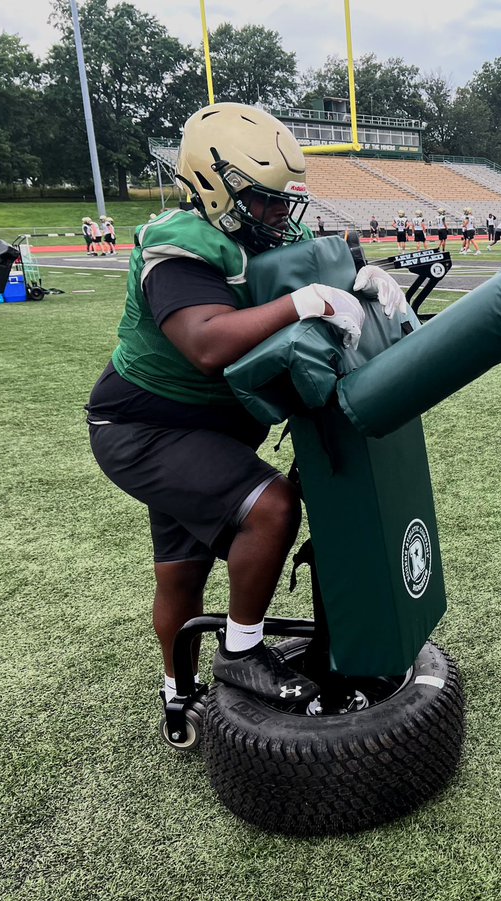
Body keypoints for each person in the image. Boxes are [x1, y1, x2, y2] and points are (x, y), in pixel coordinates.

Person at [85, 102, 408, 717]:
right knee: (271, 509)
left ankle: (178, 697)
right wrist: (306, 302)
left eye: (284, 199)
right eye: (264, 199)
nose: (280, 213)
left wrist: (367, 277)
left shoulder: (268, 233)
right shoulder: (182, 244)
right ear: (215, 186)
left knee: (182, 570)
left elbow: (329, 264)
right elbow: (207, 344)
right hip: (146, 427)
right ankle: (240, 651)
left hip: (213, 431)